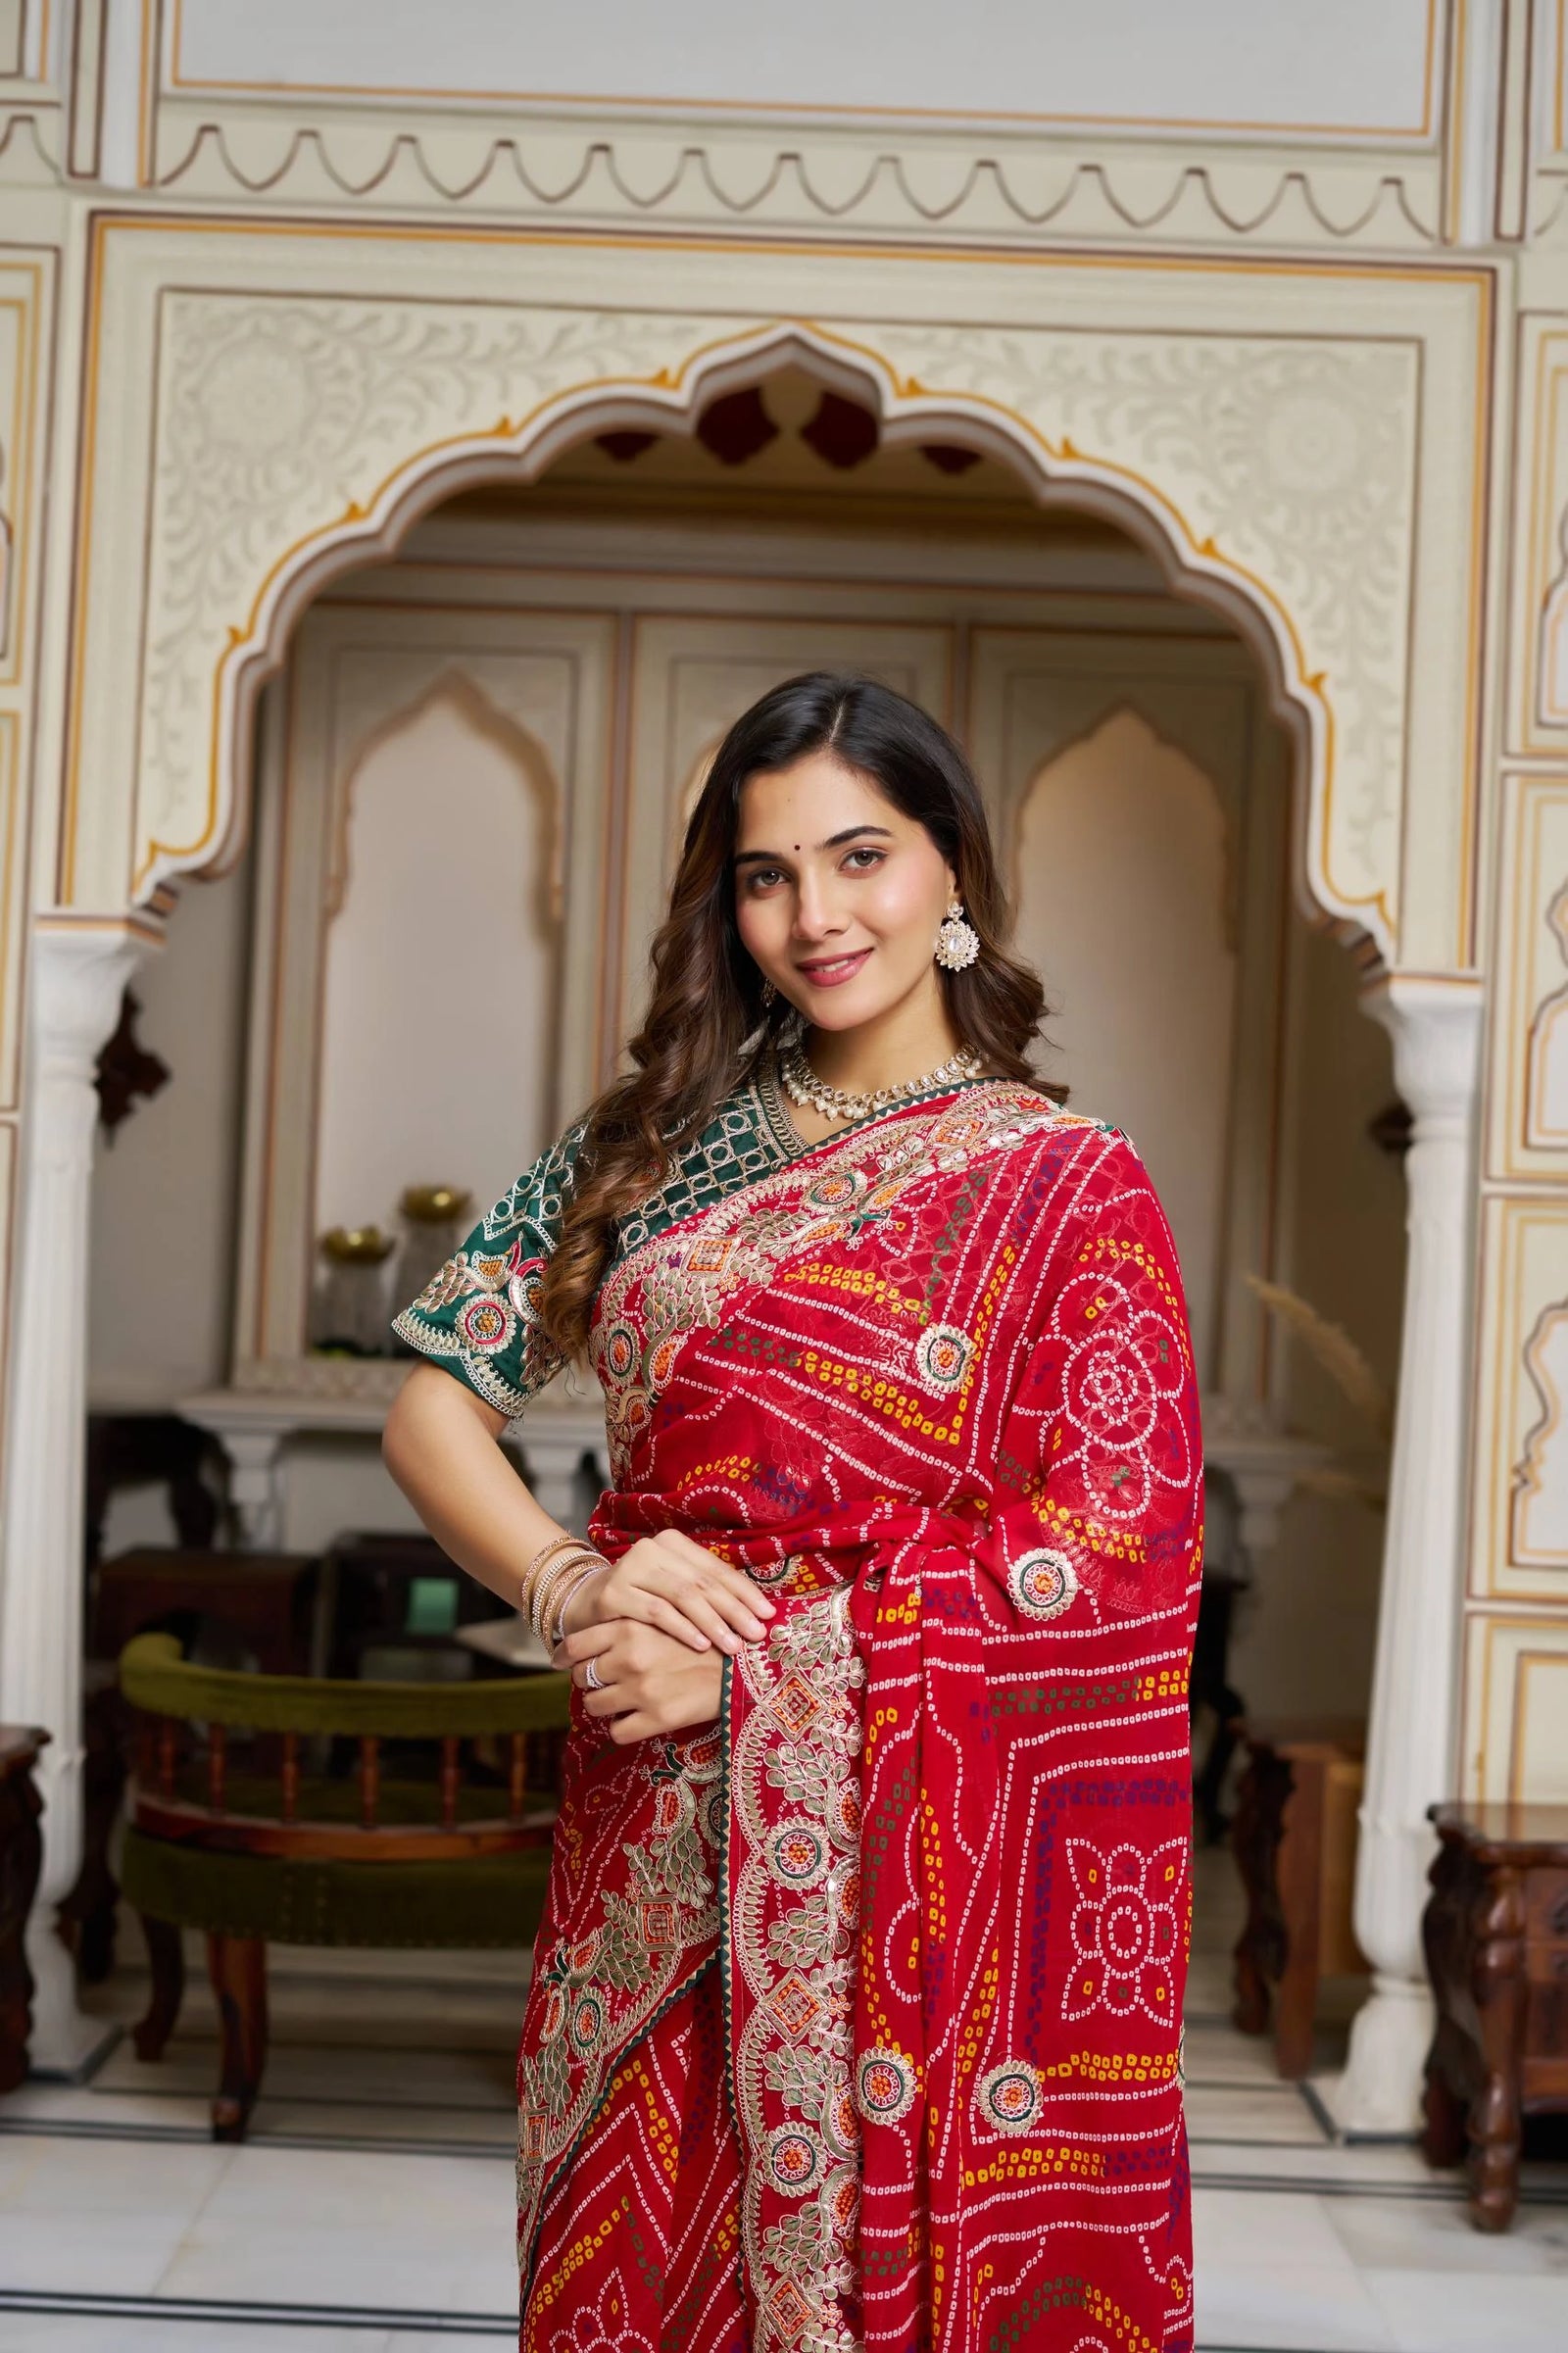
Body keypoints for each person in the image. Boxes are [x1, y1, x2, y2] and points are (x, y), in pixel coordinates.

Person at [383, 671, 1202, 2353]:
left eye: (862, 856)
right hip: (644, 1840)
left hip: (899, 1876)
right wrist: (569, 1585)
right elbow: (431, 1399)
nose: (817, 916)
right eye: (767, 874)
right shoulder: (652, 1146)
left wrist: (766, 1673)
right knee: (629, 2270)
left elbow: (1115, 1549)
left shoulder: (1067, 1184)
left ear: (951, 869)